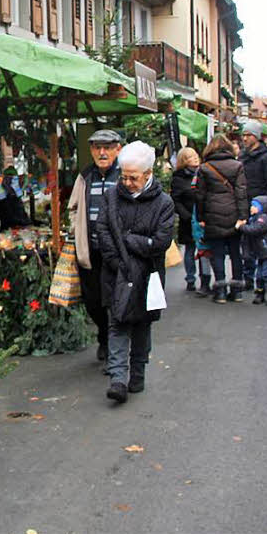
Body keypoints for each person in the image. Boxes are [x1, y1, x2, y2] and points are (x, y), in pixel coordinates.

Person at [94, 141, 175, 404]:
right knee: (117, 323)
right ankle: (118, 379)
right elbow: (103, 231)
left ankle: (137, 373)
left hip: (148, 275)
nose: (126, 182)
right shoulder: (111, 196)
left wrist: (129, 240)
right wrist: (118, 261)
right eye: (124, 176)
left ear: (148, 174)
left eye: (133, 177)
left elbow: (161, 242)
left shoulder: (164, 203)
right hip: (116, 272)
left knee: (141, 324)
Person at [68, 129, 121, 367]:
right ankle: (103, 335)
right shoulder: (85, 175)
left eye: (108, 147)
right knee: (93, 300)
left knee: (115, 299)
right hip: (90, 250)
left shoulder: (124, 173)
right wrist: (76, 231)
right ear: (91, 150)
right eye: (97, 147)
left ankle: (114, 345)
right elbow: (73, 207)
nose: (102, 152)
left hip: (117, 251)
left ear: (117, 149)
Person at [195, 134, 248, 303]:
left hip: (212, 215)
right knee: (235, 253)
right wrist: (242, 216)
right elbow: (241, 192)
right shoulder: (237, 165)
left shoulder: (205, 167)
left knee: (217, 254)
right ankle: (237, 291)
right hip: (233, 215)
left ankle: (220, 292)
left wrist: (201, 217)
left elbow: (200, 195)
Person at [238, 121, 267, 290]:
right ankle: (248, 278)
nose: (245, 138)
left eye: (249, 135)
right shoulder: (242, 156)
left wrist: (265, 206)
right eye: (244, 135)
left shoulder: (266, 157)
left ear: (257, 136)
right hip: (244, 205)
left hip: (260, 206)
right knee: (246, 245)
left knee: (262, 245)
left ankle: (262, 281)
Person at [236, 195, 267, 306]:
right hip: (261, 252)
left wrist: (241, 227)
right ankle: (260, 293)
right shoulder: (254, 219)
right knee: (259, 275)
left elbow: (254, 230)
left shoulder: (263, 219)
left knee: (266, 274)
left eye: (254, 206)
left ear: (262, 208)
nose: (251, 208)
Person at [171, 147, 205, 293]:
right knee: (190, 249)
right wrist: (186, 215)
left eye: (196, 155)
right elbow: (176, 199)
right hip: (188, 220)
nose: (196, 158)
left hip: (203, 219)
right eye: (191, 157)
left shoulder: (204, 173)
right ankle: (190, 279)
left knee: (204, 250)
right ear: (184, 160)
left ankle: (205, 279)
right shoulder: (179, 178)